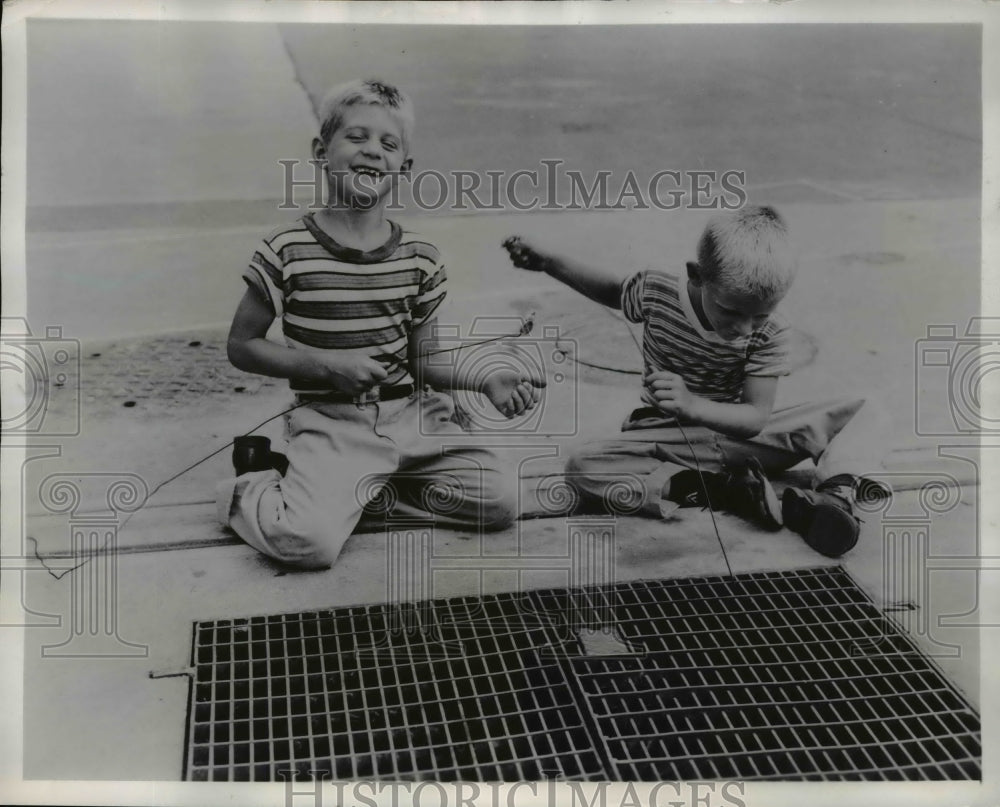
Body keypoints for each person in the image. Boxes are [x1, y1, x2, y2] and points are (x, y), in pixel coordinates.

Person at [216, 79, 544, 569]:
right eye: (356, 137)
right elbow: (242, 346)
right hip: (333, 424)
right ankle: (252, 486)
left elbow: (423, 360)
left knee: (499, 501)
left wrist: (485, 379)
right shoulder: (285, 251)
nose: (372, 151)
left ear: (403, 168)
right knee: (307, 544)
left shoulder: (421, 259)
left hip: (412, 419)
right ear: (321, 151)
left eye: (388, 144)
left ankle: (354, 495)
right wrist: (326, 365)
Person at [503, 205, 889, 558]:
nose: (743, 328)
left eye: (759, 316)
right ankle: (726, 492)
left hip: (740, 439)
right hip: (669, 439)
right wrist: (548, 263)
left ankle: (834, 497)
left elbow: (756, 416)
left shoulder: (770, 331)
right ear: (697, 275)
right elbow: (614, 291)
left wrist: (692, 404)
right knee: (583, 465)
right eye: (731, 310)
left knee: (862, 409)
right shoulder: (657, 292)